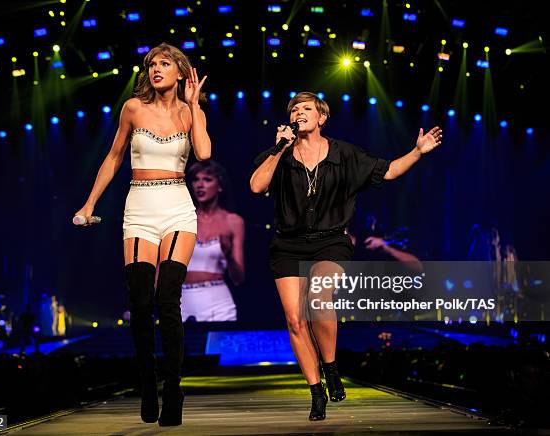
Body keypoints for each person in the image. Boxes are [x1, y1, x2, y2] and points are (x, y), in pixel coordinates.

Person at [250, 92, 441, 420]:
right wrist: (279, 148)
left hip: (330, 242)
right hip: (288, 244)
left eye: (306, 108)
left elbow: (390, 171)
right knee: (295, 319)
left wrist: (417, 152)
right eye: (294, 109)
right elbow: (256, 186)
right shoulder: (280, 153)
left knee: (320, 297)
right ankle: (315, 391)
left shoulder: (345, 154)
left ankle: (331, 366)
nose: (299, 113)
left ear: (322, 117)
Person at [74, 42, 210, 426]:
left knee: (168, 297)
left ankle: (173, 389)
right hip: (140, 208)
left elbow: (203, 152)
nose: (156, 69)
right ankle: (147, 384)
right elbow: (114, 156)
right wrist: (89, 204)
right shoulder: (133, 108)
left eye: (164, 63)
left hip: (178, 207)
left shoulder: (188, 112)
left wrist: (196, 105)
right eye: (151, 64)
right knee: (140, 301)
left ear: (180, 72)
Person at [182, 160, 245, 321]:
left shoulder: (233, 221)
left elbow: (239, 278)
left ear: (220, 185)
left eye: (207, 179)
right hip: (182, 301)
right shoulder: (182, 218)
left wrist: (228, 254)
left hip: (219, 304)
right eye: (196, 180)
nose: (200, 185)